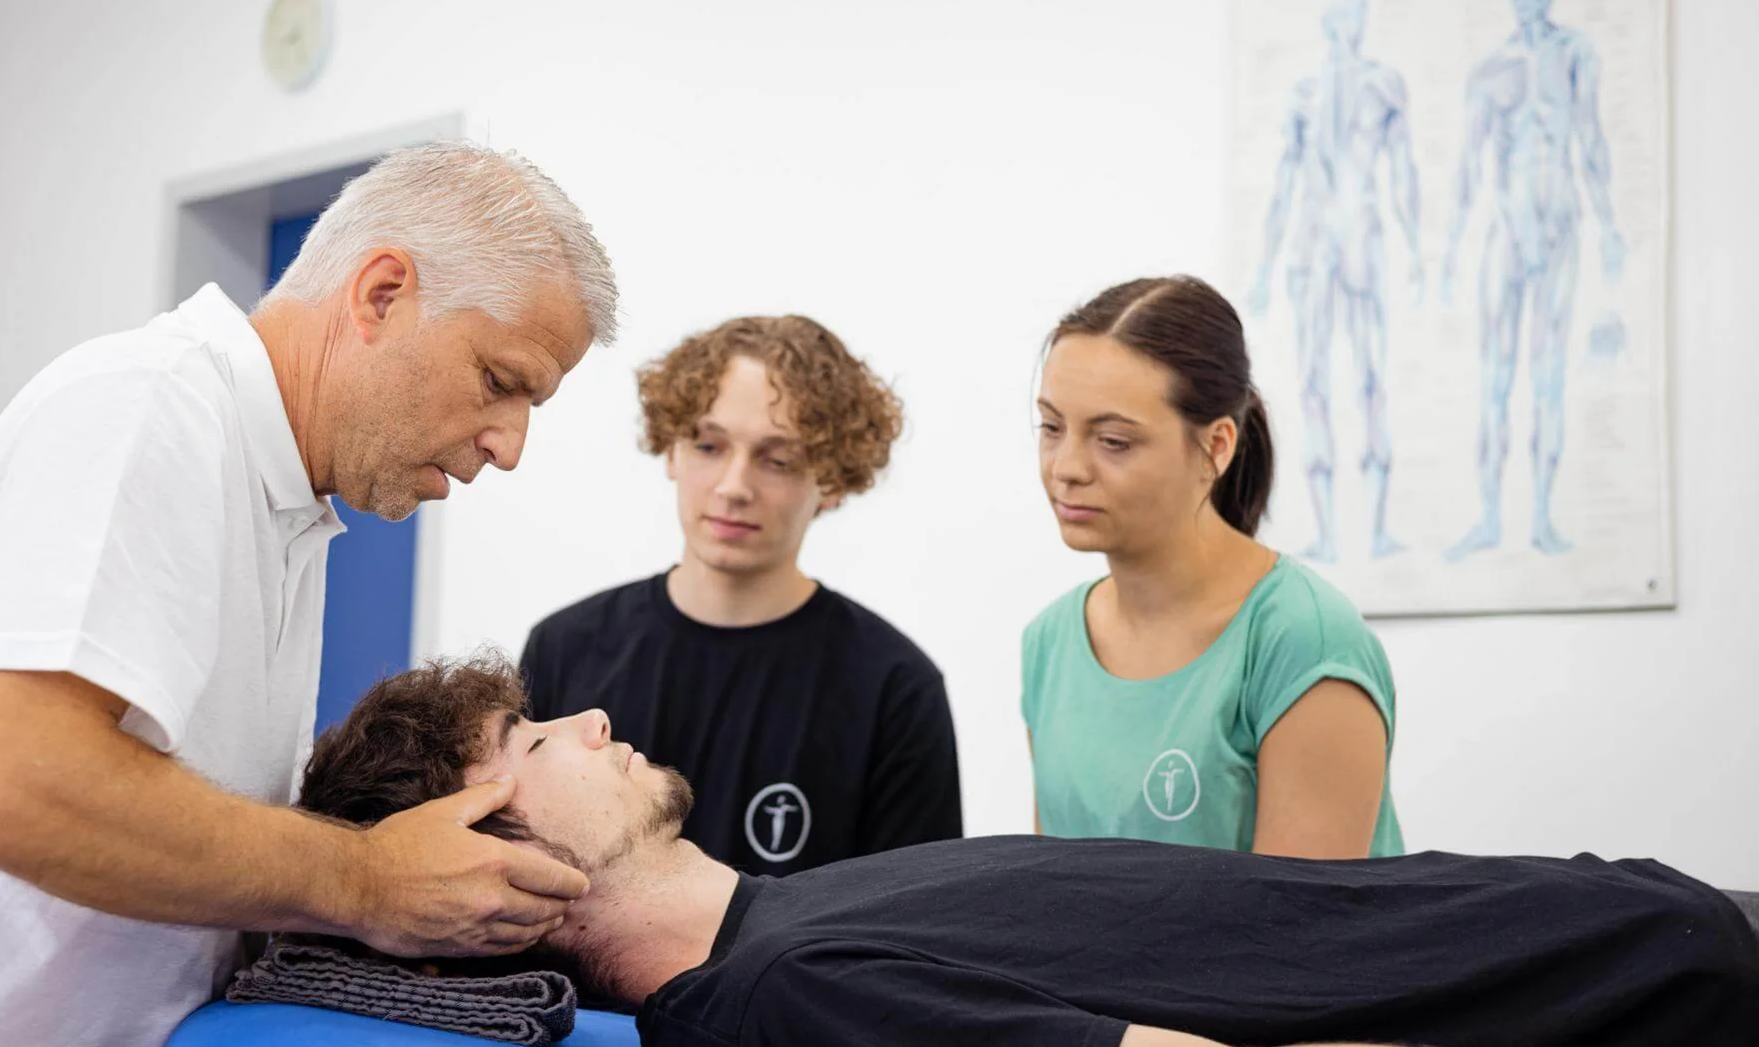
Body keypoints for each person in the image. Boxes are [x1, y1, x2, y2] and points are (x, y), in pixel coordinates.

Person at [0, 143, 617, 1046]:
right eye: (498, 381)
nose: (509, 446)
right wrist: (366, 880)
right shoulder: (151, 408)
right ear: (380, 293)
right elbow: (1, 785)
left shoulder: (288, 503)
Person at [296, 657, 1759, 1047]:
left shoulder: (796, 915)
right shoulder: (785, 999)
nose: (596, 715)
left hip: (1628, 930)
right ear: (487, 865)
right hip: (1654, 993)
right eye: (538, 738)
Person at [520, 316, 960, 875]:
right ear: (672, 451)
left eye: (777, 459)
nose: (733, 487)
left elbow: (911, 924)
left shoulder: (893, 687)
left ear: (834, 479)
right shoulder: (566, 648)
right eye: (708, 445)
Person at [1024, 276, 1402, 858]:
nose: (1066, 466)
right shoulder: (1051, 642)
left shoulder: (1303, 641)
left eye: (1115, 441)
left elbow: (1308, 931)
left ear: (1217, 446)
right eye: (1052, 427)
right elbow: (1051, 891)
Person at [1441, 0, 1626, 560]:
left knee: (1548, 378)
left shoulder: (1575, 53)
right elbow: (1470, 166)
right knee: (1495, 379)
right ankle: (1492, 516)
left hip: (1560, 221)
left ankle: (1542, 515)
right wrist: (1447, 251)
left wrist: (1610, 224)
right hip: (1508, 228)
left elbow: (1591, 141)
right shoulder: (1491, 69)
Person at [1246, 0, 1424, 563]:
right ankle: (1326, 533)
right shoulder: (1305, 94)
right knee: (1315, 382)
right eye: (1340, 15)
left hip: (1362, 240)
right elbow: (1283, 185)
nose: (1348, 24)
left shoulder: (1383, 87)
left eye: (1357, 12)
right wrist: (1268, 266)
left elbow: (1403, 175)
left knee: (1372, 379)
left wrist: (1418, 251)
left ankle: (1374, 532)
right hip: (1313, 245)